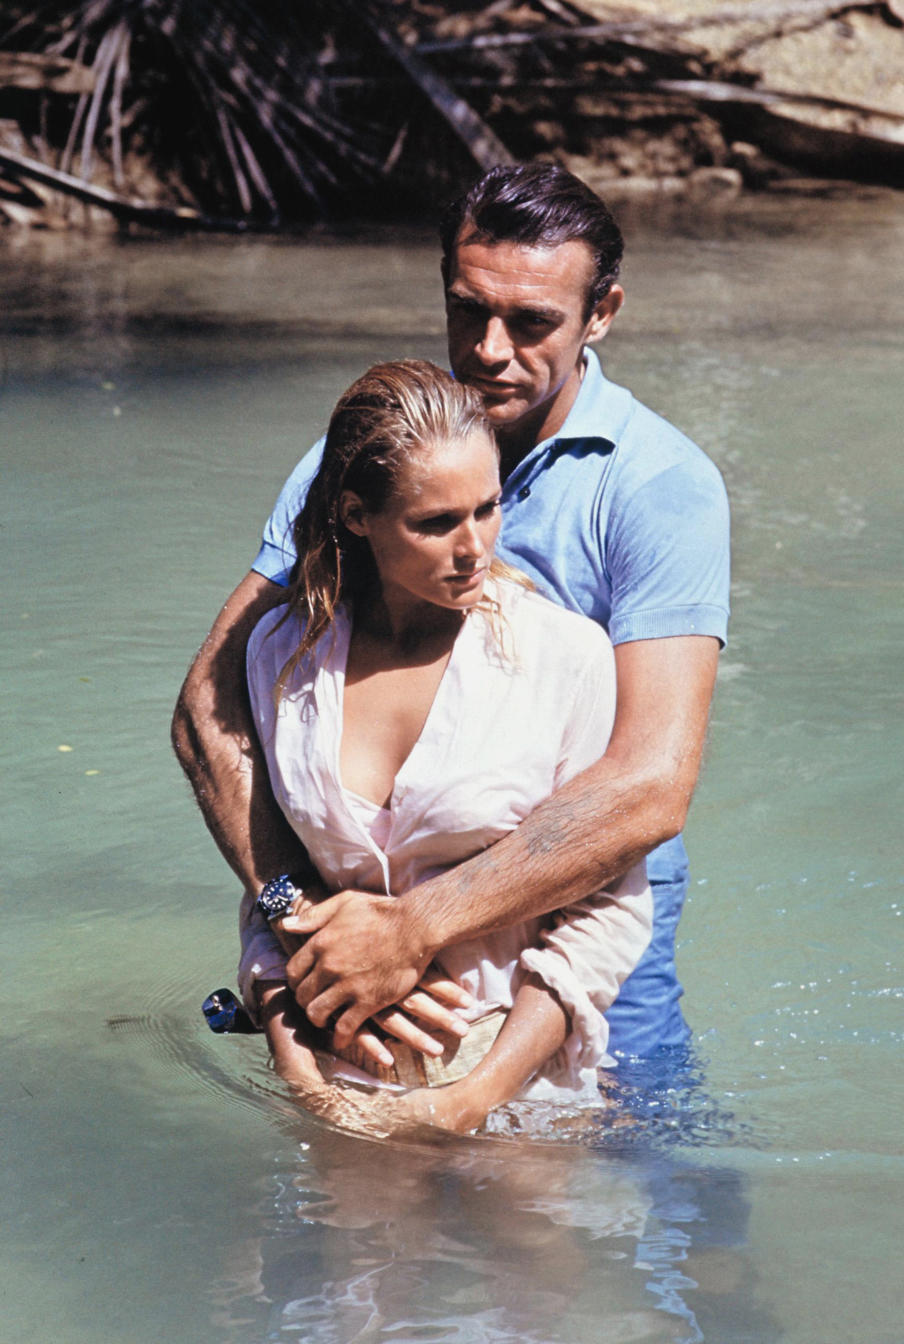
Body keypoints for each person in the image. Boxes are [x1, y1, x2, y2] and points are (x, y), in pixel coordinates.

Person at [172, 162, 729, 1087]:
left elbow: (650, 787)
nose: (490, 349)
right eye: (468, 310)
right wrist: (300, 915)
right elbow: (211, 703)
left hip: (582, 919)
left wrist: (417, 929)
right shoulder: (359, 455)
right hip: (355, 907)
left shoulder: (658, 486)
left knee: (646, 1188)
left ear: (603, 312)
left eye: (532, 322)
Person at [245, 359, 652, 1131]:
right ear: (357, 515)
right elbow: (273, 885)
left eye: (489, 509)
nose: (475, 547)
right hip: (332, 1082)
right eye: (435, 523)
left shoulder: (565, 657)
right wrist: (299, 1072)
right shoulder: (282, 652)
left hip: (516, 1094)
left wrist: (469, 1099)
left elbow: (606, 909)